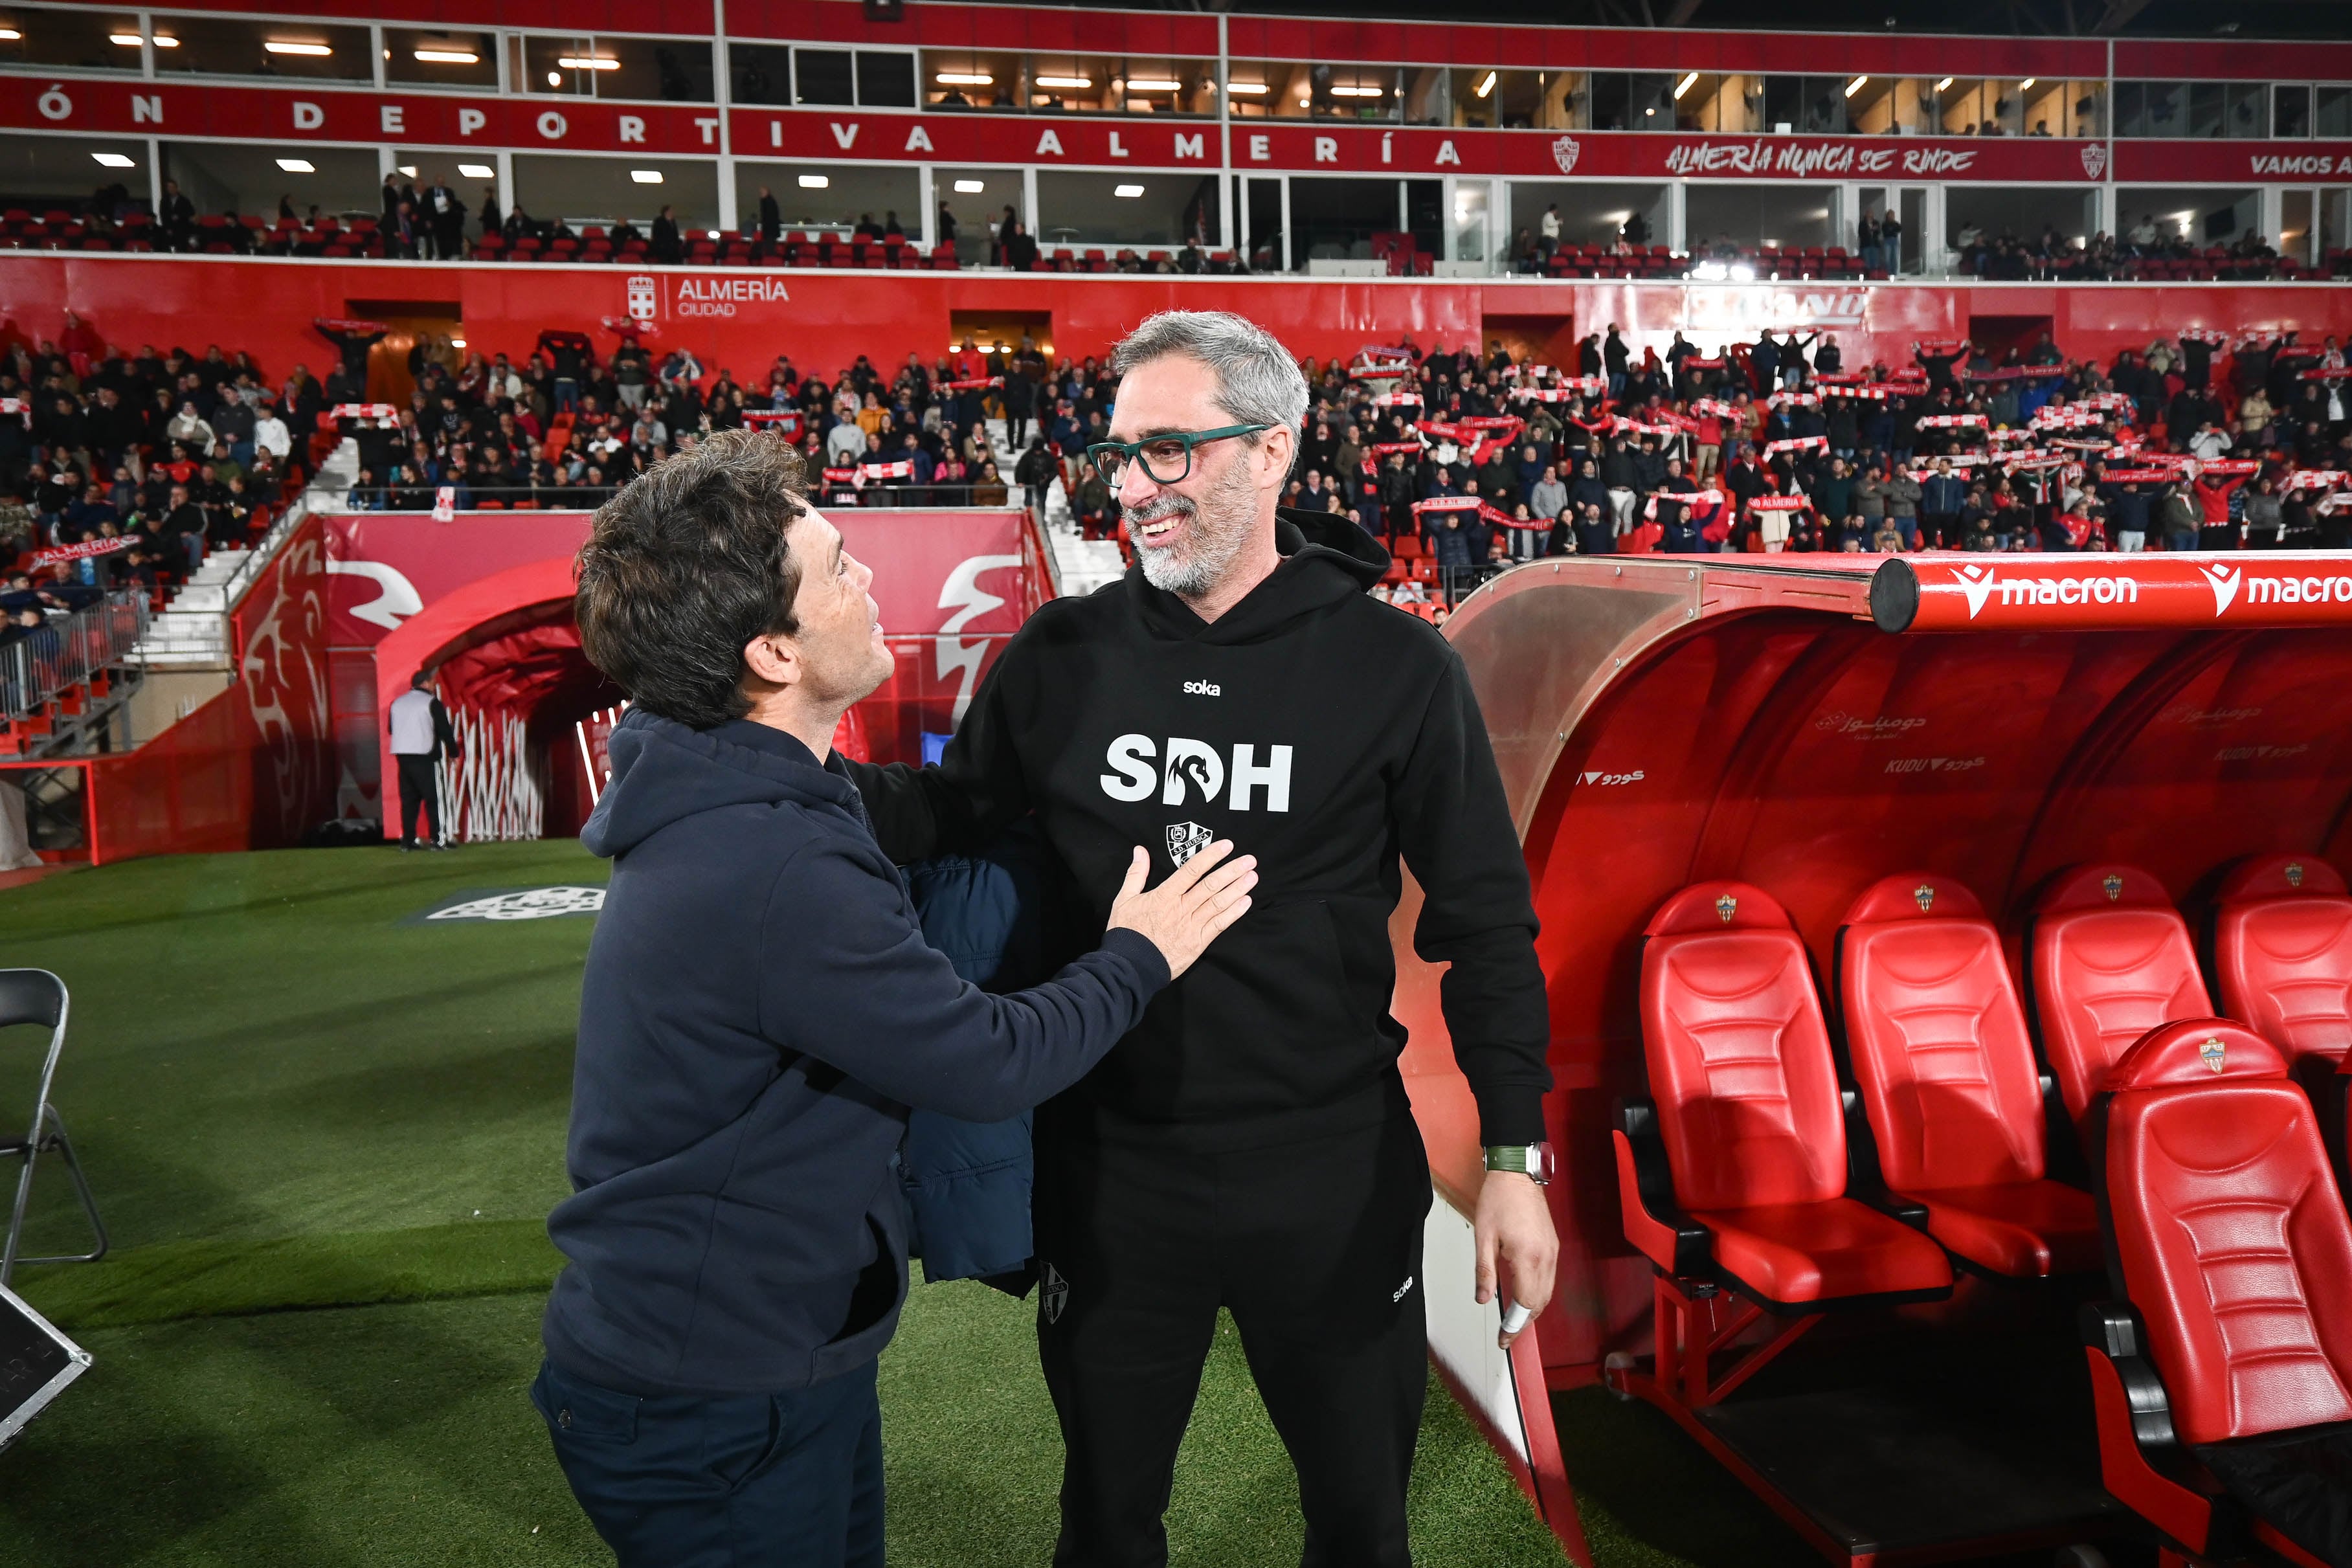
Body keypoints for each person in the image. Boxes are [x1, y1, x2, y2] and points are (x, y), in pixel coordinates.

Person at [844, 311, 1557, 1567]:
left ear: (1271, 450)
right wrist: (784, 764)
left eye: (1168, 452)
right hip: (1112, 1177)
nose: (1129, 488)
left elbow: (1484, 922)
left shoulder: (1396, 668)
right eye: (1120, 454)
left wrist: (1513, 1154)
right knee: (1107, 1525)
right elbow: (953, 813)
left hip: (1331, 1173)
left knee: (1359, 1526)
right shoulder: (1062, 651)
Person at [540, 429, 1254, 1568]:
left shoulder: (745, 783)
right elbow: (985, 1059)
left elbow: (918, 815)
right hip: (716, 1390)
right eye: (837, 568)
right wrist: (1142, 949)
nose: (868, 580)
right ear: (772, 654)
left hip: (756, 1354)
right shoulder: (770, 863)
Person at [387, 669, 459, 851]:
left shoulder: (397, 703)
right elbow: (445, 730)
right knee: (435, 799)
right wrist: (454, 753)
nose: (434, 687)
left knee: (409, 801)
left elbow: (391, 729)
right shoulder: (431, 703)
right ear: (426, 683)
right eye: (433, 683)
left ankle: (408, 841)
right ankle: (438, 840)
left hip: (403, 757)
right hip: (426, 756)